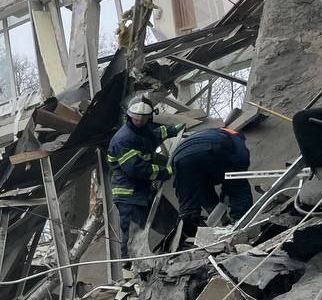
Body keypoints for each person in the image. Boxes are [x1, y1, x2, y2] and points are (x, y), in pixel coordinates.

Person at [105, 97, 184, 260]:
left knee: (171, 220)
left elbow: (152, 136)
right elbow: (136, 169)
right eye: (136, 119)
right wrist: (165, 172)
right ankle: (130, 265)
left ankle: (180, 247)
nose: (140, 122)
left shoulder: (142, 130)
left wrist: (171, 130)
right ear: (129, 116)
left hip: (143, 190)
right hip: (128, 195)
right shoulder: (123, 139)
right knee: (134, 233)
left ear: (150, 117)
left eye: (144, 119)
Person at [170, 126, 253, 243]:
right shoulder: (236, 139)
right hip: (215, 148)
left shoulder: (205, 133)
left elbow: (204, 191)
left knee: (188, 208)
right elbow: (238, 169)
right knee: (238, 188)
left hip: (180, 158)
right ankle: (242, 227)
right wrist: (230, 189)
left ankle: (189, 241)